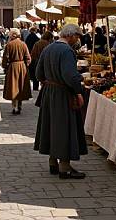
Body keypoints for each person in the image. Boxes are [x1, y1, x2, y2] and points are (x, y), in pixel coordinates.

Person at [34, 24, 87, 179]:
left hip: (49, 93)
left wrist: (49, 81)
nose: (78, 40)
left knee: (52, 127)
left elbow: (38, 73)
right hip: (63, 94)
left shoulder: (48, 48)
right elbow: (70, 76)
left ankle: (53, 162)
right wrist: (78, 89)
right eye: (77, 36)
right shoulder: (67, 51)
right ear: (70, 35)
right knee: (64, 128)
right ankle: (65, 167)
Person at [2, 28, 32, 114]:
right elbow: (28, 58)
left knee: (13, 87)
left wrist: (6, 67)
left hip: (12, 67)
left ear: (13, 35)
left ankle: (14, 107)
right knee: (20, 87)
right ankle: (19, 106)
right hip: (22, 67)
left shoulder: (9, 45)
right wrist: (25, 66)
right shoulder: (23, 44)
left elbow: (5, 58)